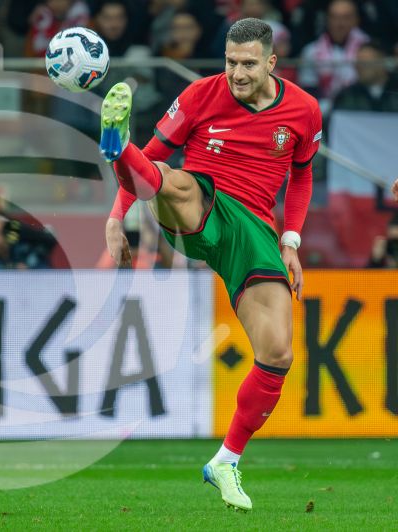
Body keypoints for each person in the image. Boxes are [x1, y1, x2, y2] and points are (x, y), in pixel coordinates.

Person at [99, 18, 322, 511]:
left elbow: (301, 178)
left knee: (279, 352)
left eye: (247, 63)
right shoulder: (202, 94)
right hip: (199, 206)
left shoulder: (304, 111)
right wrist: (118, 217)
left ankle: (225, 460)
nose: (237, 73)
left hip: (256, 233)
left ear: (271, 62)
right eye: (230, 61)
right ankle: (118, 146)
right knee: (166, 175)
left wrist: (290, 240)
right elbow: (157, 156)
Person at [298, 0, 370, 104]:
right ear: (327, 19)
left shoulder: (368, 49)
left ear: (356, 20)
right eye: (334, 17)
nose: (340, 23)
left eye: (346, 17)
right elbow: (308, 90)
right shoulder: (311, 51)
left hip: (361, 108)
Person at [332, 42, 398, 113]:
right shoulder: (347, 96)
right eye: (358, 62)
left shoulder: (395, 92)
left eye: (365, 62)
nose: (359, 67)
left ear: (382, 63)